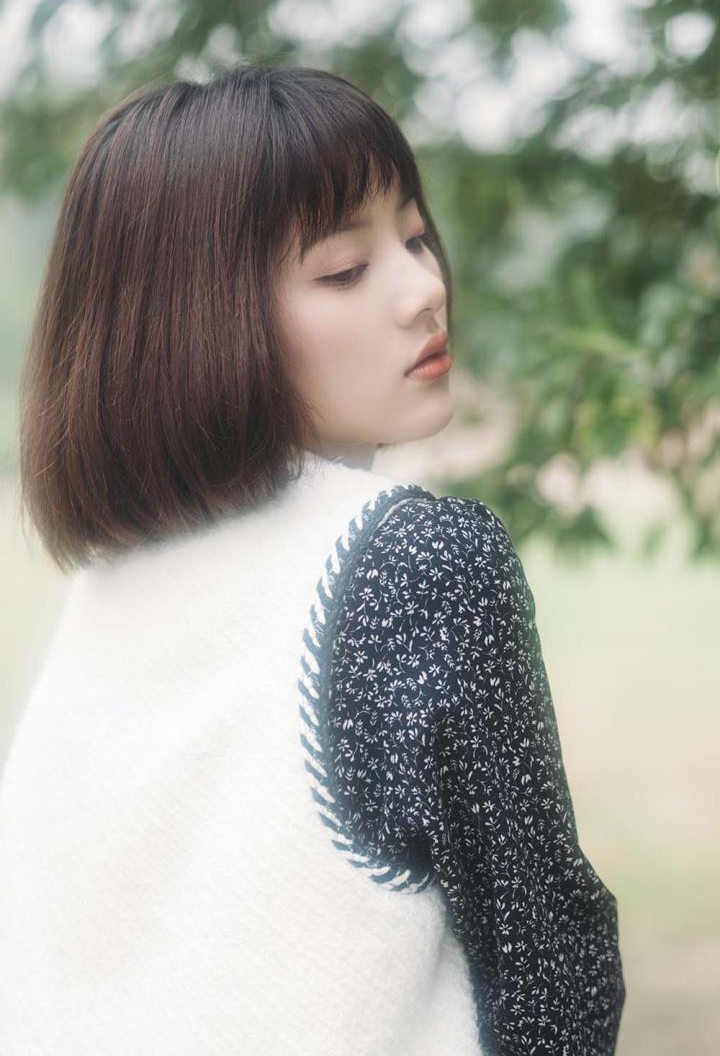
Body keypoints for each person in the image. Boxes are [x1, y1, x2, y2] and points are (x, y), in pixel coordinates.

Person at [0, 63, 625, 1054]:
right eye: (344, 270)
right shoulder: (416, 562)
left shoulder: (109, 588)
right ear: (198, 322)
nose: (426, 289)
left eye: (415, 237)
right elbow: (551, 976)